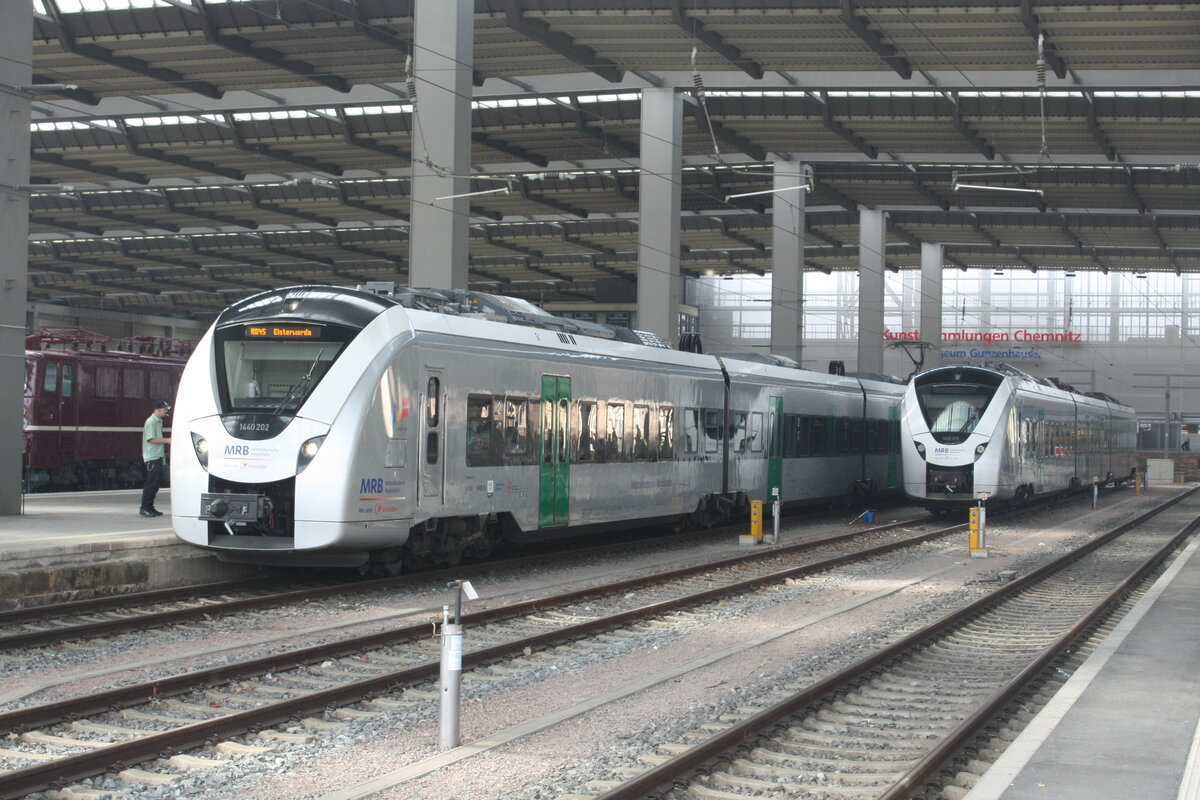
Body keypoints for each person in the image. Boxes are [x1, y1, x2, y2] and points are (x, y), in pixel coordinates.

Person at [140, 400, 172, 517]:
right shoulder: (151, 422)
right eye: (164, 409)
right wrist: (168, 440)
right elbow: (151, 439)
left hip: (157, 456)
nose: (166, 411)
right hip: (152, 457)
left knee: (156, 483)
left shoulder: (158, 422)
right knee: (151, 483)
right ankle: (144, 508)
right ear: (157, 409)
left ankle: (150, 507)